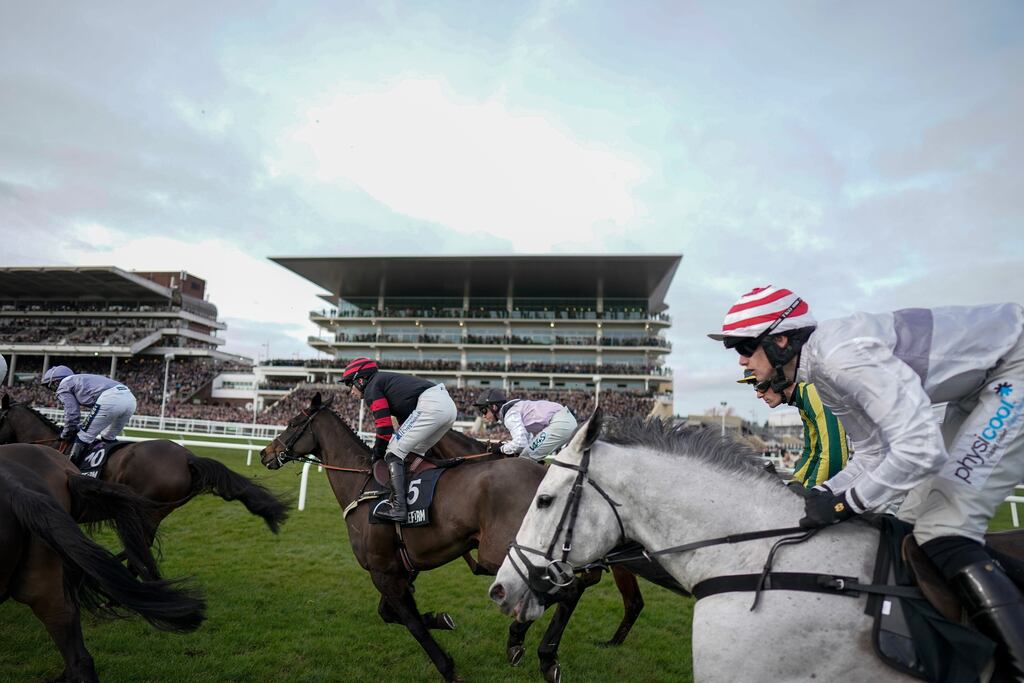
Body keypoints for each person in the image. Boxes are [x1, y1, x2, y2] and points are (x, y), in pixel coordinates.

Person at [711, 285, 1024, 675]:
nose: (741, 362)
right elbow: (874, 453)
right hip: (976, 388)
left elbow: (919, 448)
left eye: (744, 347)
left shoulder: (842, 357)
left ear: (780, 340)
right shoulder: (822, 375)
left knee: (944, 529)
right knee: (909, 524)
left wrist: (845, 504)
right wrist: (820, 493)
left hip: (1014, 369)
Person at [342, 358, 457, 522]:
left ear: (360, 380)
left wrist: (377, 454)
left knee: (393, 452)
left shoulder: (372, 388)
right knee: (413, 453)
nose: (350, 391)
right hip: (447, 407)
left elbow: (384, 427)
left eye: (349, 384)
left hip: (432, 405)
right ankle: (419, 498)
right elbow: (403, 423)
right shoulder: (385, 383)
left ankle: (399, 508)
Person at [738, 370, 848, 488]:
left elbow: (834, 457)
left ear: (778, 378)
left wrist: (805, 495)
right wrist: (794, 486)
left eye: (759, 385)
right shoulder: (803, 397)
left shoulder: (813, 391)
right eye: (755, 388)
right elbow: (813, 453)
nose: (758, 395)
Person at [40, 365, 138, 469]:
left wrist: (65, 433)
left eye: (49, 386)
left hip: (111, 399)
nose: (52, 391)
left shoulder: (63, 385)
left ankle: (70, 471)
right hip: (130, 399)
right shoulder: (81, 378)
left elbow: (72, 415)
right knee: (108, 437)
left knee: (83, 436)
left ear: (55, 382)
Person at [471, 388, 579, 462]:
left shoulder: (510, 415)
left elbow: (520, 443)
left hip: (560, 423)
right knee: (528, 455)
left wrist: (500, 449)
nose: (484, 416)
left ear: (493, 407)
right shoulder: (513, 409)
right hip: (564, 420)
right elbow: (527, 441)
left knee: (524, 459)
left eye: (484, 410)